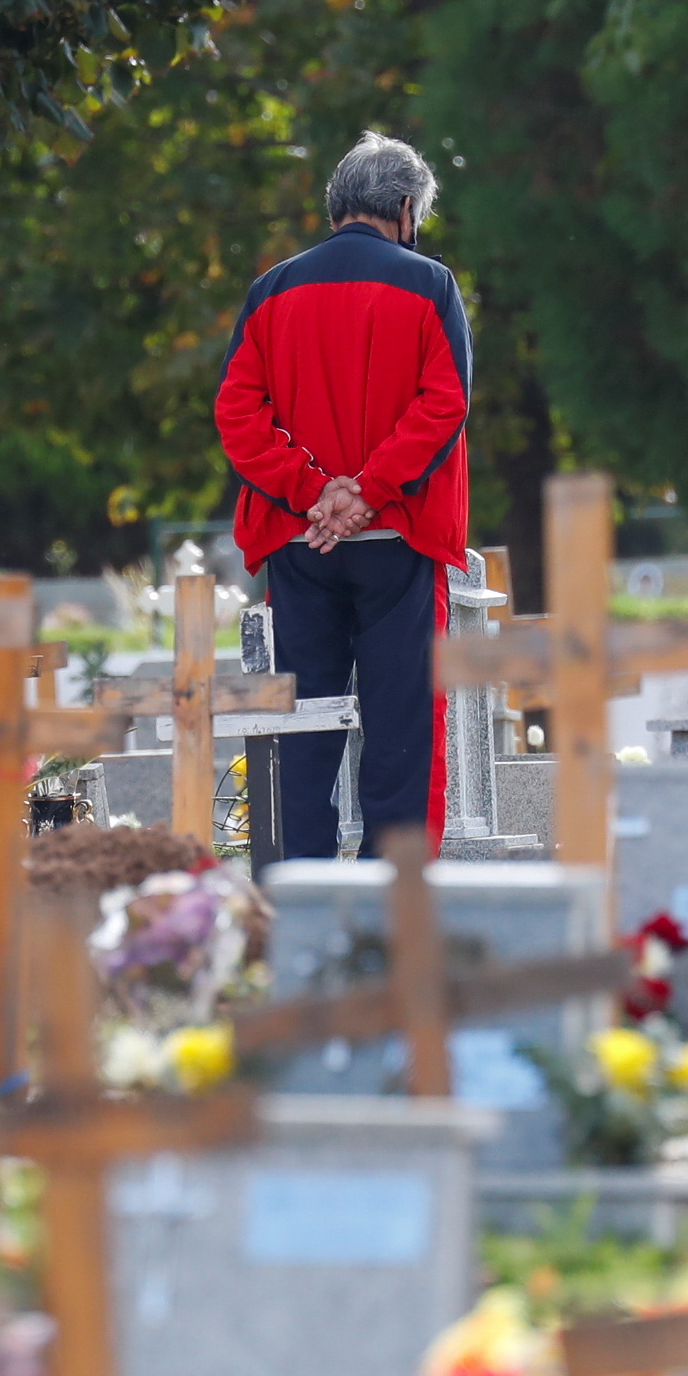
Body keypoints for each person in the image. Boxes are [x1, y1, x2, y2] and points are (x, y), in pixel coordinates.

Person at [214, 131, 470, 859]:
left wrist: (309, 491)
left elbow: (238, 411)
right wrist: (367, 493)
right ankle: (395, 897)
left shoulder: (270, 290)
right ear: (402, 207)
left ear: (335, 206)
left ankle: (297, 892)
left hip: (299, 545)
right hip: (399, 537)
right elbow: (443, 402)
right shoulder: (429, 284)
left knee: (298, 728)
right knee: (402, 727)